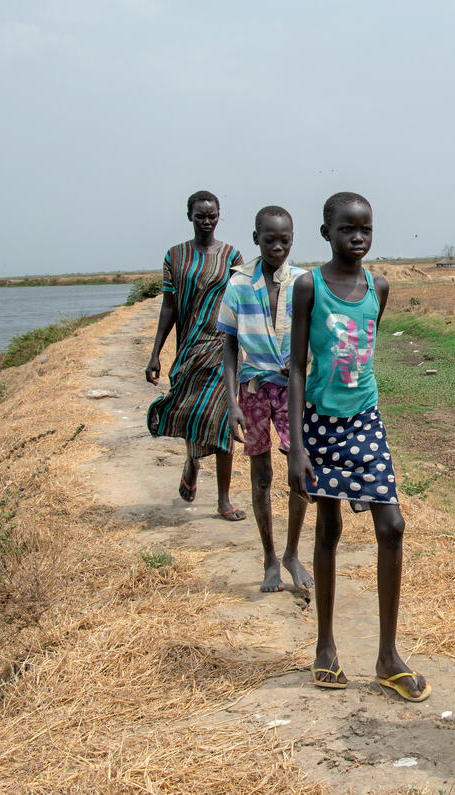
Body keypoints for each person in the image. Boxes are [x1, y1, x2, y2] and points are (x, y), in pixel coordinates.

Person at [287, 192, 429, 701]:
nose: (358, 238)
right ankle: (326, 646)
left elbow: (363, 352)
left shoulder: (378, 287)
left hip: (366, 420)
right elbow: (298, 366)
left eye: (365, 229)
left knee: (392, 525)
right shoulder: (308, 287)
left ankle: (388, 656)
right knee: (329, 527)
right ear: (325, 232)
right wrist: (298, 443)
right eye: (347, 229)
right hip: (321, 424)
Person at [219, 206, 313, 593]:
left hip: (293, 389)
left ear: (293, 239)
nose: (277, 247)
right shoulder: (239, 283)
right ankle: (270, 557)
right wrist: (232, 401)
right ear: (256, 238)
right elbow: (228, 344)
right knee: (261, 478)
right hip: (254, 388)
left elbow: (316, 342)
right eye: (269, 239)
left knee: (300, 472)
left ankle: (292, 552)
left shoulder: (305, 282)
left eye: (284, 240)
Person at [145, 190, 245, 521]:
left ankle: (224, 499)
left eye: (212, 215)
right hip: (189, 348)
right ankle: (192, 460)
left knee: (223, 420)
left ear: (219, 216)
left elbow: (242, 303)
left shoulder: (232, 256)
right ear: (189, 215)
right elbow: (169, 307)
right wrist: (155, 353)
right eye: (200, 215)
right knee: (193, 413)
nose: (206, 220)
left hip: (223, 347)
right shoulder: (175, 257)